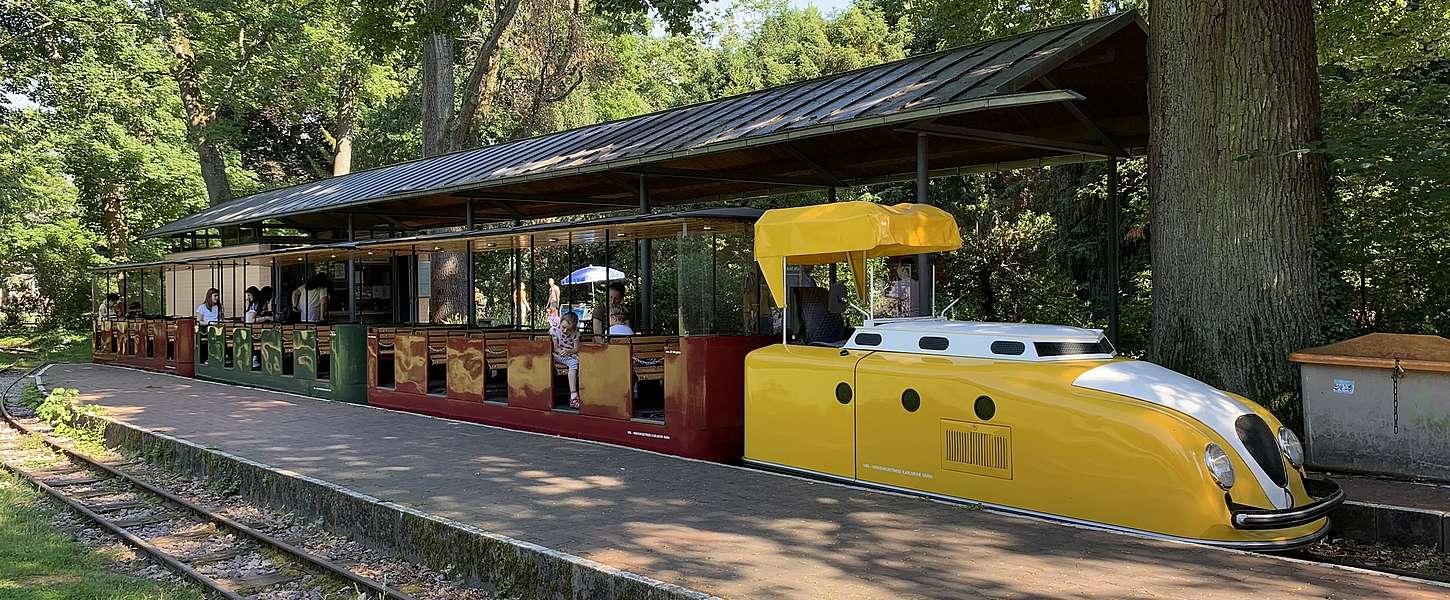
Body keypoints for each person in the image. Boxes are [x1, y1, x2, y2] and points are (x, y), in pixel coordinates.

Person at [550, 311, 582, 408]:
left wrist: (568, 352)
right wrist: (562, 352)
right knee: (574, 363)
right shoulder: (555, 331)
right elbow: (555, 348)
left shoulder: (576, 333)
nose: (564, 331)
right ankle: (573, 394)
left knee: (583, 361)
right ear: (560, 323)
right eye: (563, 327)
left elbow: (576, 349)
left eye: (568, 330)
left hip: (569, 354)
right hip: (556, 354)